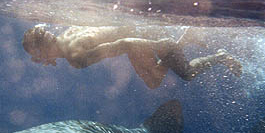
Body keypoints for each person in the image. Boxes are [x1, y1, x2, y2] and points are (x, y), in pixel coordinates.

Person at [22, 25, 242, 89]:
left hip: (139, 37)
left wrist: (158, 45)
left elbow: (123, 45)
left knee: (185, 74)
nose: (40, 62)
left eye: (37, 57)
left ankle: (220, 56)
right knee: (154, 80)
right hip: (135, 30)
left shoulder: (74, 57)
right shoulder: (68, 31)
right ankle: (183, 39)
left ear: (43, 50)